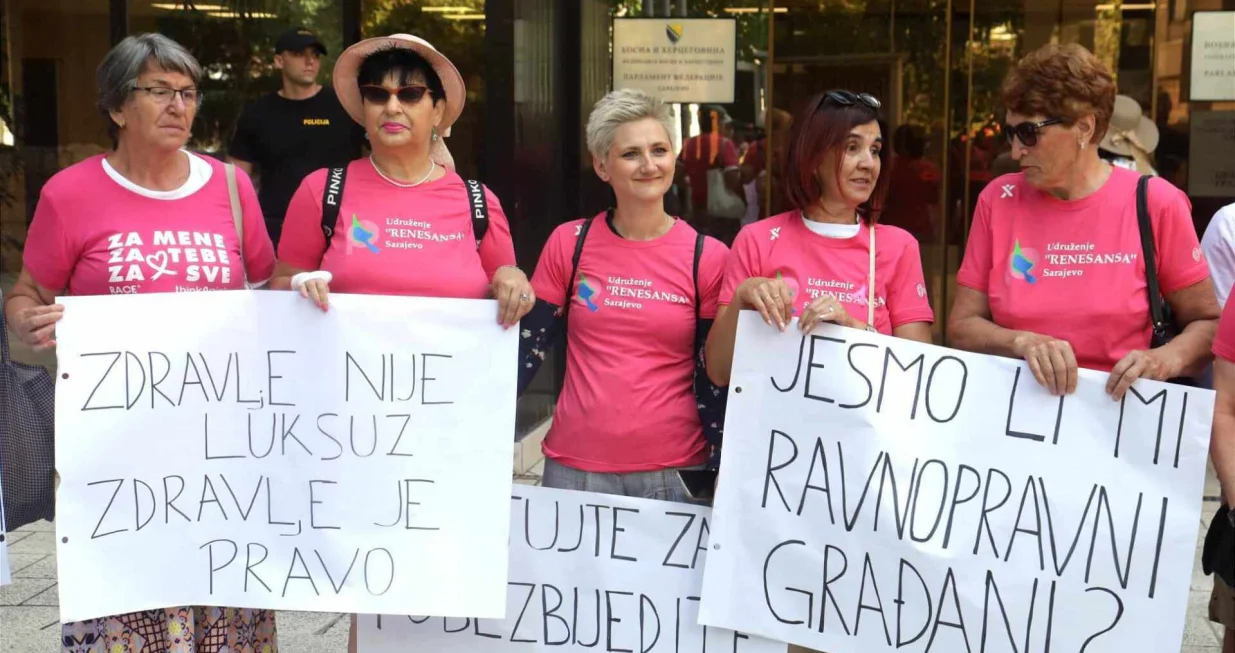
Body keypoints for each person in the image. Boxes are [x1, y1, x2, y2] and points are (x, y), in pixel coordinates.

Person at [3, 33, 277, 653]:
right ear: (117, 107)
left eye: (188, 93)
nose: (179, 106)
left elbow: (269, 294)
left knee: (223, 608)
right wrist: (26, 322)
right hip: (117, 457)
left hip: (220, 455)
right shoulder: (70, 194)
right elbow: (26, 293)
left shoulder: (231, 188)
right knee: (127, 614)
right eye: (159, 91)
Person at [266, 34, 533, 651]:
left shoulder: (476, 201)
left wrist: (514, 280)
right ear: (361, 109)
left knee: (448, 579)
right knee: (371, 590)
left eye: (410, 94)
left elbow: (504, 276)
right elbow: (280, 284)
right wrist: (298, 287)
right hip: (353, 430)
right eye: (377, 94)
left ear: (438, 110)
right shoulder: (325, 191)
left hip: (449, 432)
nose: (392, 106)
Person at [948, 42, 1217, 401]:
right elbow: (962, 326)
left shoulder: (1155, 202)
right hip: (1015, 418)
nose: (1015, 151)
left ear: (1084, 128)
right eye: (1010, 133)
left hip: (1120, 416)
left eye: (1029, 133)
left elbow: (1208, 324)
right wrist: (1020, 341)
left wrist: (1162, 360)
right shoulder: (998, 200)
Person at [517, 88, 730, 499]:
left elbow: (718, 373)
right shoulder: (569, 243)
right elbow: (524, 351)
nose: (649, 165)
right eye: (631, 154)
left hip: (676, 471)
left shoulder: (708, 256)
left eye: (659, 150)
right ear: (602, 166)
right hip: (576, 469)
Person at [705, 89, 935, 389]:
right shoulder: (757, 240)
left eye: (875, 150)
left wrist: (852, 329)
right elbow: (719, 372)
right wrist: (742, 297)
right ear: (813, 159)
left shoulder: (898, 246)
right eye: (852, 147)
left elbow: (917, 375)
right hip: (775, 418)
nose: (868, 163)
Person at [228, 27, 365, 246]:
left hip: (340, 224)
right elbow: (236, 180)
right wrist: (243, 228)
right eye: (299, 54)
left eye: (315, 55)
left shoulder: (344, 106)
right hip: (276, 228)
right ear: (279, 61)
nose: (310, 61)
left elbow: (379, 156)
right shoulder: (258, 113)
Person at [680, 105, 745, 244]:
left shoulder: (689, 144)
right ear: (718, 123)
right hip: (722, 213)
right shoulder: (724, 144)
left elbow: (678, 173)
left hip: (696, 211)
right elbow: (732, 179)